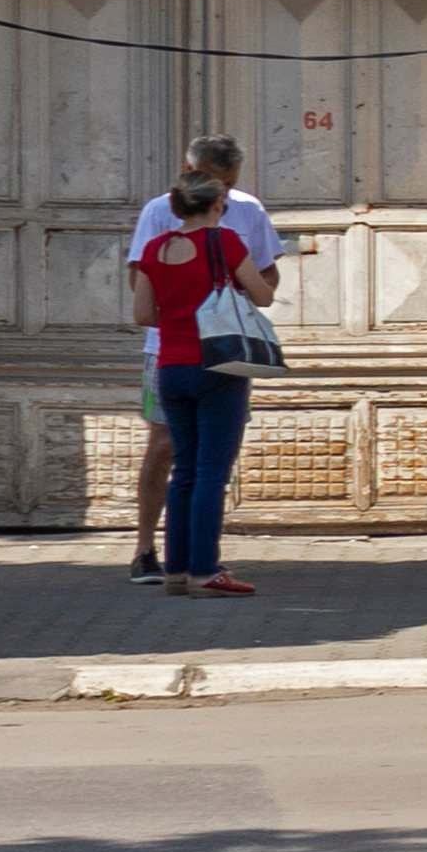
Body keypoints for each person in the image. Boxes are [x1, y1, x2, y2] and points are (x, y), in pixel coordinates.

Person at [113, 140, 290, 574]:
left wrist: (182, 305)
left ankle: (178, 565)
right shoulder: (171, 219)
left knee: (190, 464)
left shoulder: (246, 213)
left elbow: (143, 304)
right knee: (189, 458)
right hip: (211, 359)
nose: (226, 195)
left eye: (231, 184)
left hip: (177, 358)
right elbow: (265, 292)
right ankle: (179, 559)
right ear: (191, 178)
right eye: (219, 187)